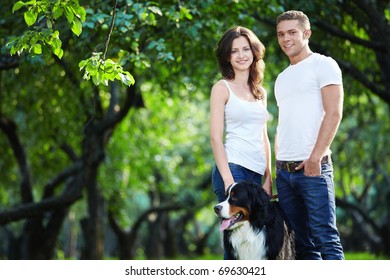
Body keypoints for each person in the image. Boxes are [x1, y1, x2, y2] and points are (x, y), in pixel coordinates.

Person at [274, 10, 345, 260]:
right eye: (281, 34)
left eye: (292, 32)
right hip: (284, 173)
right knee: (301, 245)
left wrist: (315, 158)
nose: (286, 39)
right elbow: (285, 124)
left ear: (307, 33)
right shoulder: (281, 78)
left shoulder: (323, 65)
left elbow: (334, 112)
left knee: (325, 237)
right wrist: (277, 165)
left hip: (313, 169)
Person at [210, 26, 272, 259]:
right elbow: (216, 138)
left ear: (254, 52)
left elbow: (263, 136)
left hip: (256, 175)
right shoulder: (221, 88)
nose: (241, 55)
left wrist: (268, 178)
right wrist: (228, 181)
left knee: (256, 244)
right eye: (234, 51)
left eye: (246, 49)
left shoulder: (260, 92)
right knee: (235, 246)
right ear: (227, 56)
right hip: (233, 168)